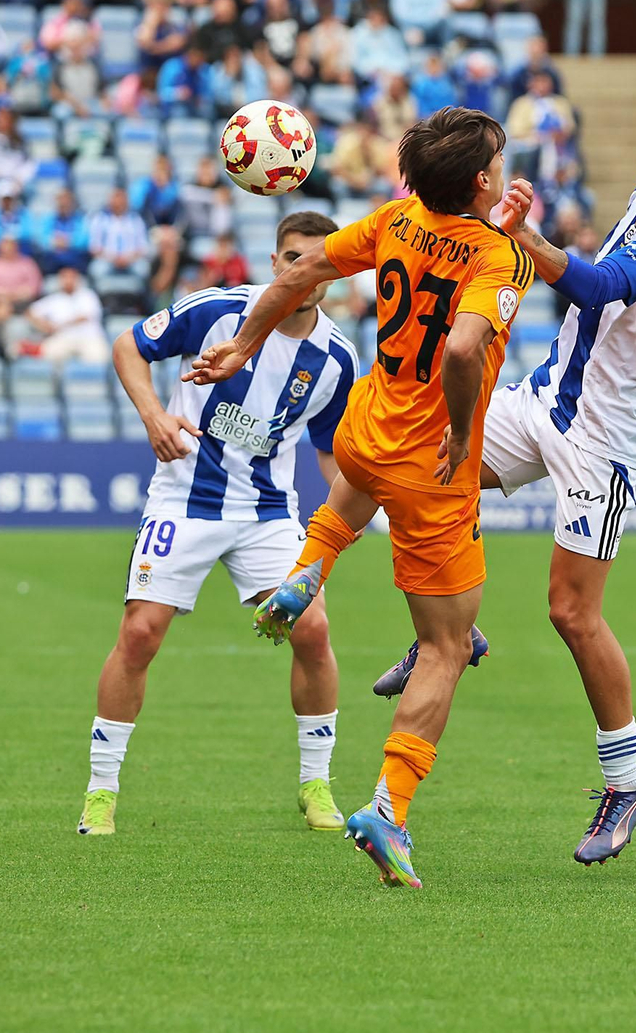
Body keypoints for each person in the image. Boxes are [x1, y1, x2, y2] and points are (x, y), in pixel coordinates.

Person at [372, 100, 636, 866]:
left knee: (572, 612)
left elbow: (601, 287)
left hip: (603, 440)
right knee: (422, 468)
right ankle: (450, 631)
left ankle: (628, 783)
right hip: (547, 397)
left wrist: (526, 238)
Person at [181, 108, 534, 889]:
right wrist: (461, 430)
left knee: (353, 494)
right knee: (447, 646)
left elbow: (299, 274)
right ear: (482, 180)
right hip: (429, 472)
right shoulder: (502, 259)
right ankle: (388, 808)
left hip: (363, 433)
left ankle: (306, 571)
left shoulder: (394, 220)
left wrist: (241, 345)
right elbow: (466, 344)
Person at [78, 212, 359, 838]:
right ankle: (101, 790)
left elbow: (330, 447)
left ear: (336, 272)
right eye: (292, 258)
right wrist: (155, 416)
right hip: (183, 501)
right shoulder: (218, 311)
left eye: (318, 262)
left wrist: (349, 505)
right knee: (140, 634)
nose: (303, 272)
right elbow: (128, 345)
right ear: (274, 263)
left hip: (268, 513)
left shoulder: (338, 357)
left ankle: (316, 783)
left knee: (312, 629)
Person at [21, 267, 108, 364]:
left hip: (89, 337)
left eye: (71, 277)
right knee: (46, 353)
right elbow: (30, 312)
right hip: (63, 338)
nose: (68, 281)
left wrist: (59, 325)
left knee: (99, 357)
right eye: (65, 277)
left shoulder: (88, 295)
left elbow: (84, 317)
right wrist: (44, 325)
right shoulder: (54, 298)